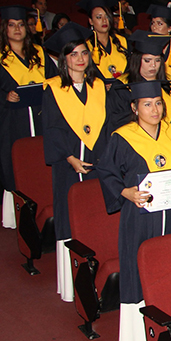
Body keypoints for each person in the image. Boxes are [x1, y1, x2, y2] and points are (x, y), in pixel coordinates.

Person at [98, 80, 171, 341]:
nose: (155, 109)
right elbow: (106, 171)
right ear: (134, 107)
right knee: (138, 269)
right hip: (139, 216)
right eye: (147, 104)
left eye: (158, 103)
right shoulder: (122, 137)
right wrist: (124, 191)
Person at [41, 22, 110, 302]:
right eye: (73, 54)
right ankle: (73, 285)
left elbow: (106, 127)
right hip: (68, 164)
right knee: (71, 217)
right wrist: (70, 158)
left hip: (98, 159)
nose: (80, 59)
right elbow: (52, 128)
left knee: (97, 215)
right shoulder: (54, 89)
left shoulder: (99, 85)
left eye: (84, 53)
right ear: (64, 59)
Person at [0, 6, 57, 229]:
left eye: (21, 25)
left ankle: (47, 208)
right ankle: (19, 216)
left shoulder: (40, 54)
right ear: (5, 28)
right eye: (12, 25)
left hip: (42, 119)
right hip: (13, 121)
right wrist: (5, 97)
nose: (17, 29)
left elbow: (55, 81)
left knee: (44, 162)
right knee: (16, 163)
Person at [106, 30, 171, 135]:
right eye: (147, 60)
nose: (153, 65)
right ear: (137, 60)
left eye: (157, 61)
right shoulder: (121, 87)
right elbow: (117, 122)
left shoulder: (170, 83)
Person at [76, 0, 128, 84]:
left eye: (107, 16)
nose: (104, 21)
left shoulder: (122, 41)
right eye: (99, 17)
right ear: (91, 21)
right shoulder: (85, 45)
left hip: (123, 89)